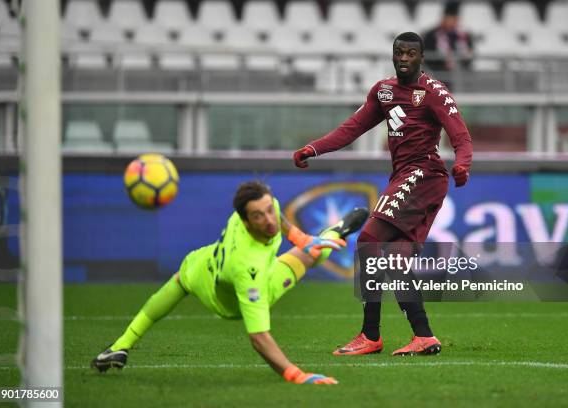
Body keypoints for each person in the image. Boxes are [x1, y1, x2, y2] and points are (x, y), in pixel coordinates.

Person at [293, 32, 472, 356]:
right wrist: (314, 148)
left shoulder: (434, 92)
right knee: (395, 258)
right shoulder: (384, 91)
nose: (404, 58)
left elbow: (461, 135)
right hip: (406, 176)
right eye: (399, 53)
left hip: (424, 174)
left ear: (421, 58)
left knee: (368, 239)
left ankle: (370, 335)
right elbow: (353, 127)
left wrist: (462, 164)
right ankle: (424, 336)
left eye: (411, 54)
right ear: (393, 55)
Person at [91, 180, 369, 384]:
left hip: (204, 262)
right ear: (245, 221)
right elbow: (259, 338)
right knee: (309, 257)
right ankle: (335, 233)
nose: (269, 219)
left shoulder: (261, 207)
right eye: (259, 216)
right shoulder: (248, 269)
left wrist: (301, 238)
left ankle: (119, 347)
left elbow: (277, 216)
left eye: (268, 210)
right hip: (231, 299)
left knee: (310, 251)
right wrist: (298, 376)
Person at [422, 1, 473, 89]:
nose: (452, 21)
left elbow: (469, 56)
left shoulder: (464, 36)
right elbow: (427, 57)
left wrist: (459, 58)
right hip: (437, 75)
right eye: (449, 18)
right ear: (444, 18)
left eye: (454, 18)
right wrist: (444, 61)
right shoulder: (431, 35)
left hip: (459, 75)